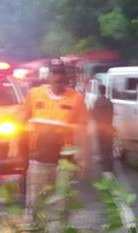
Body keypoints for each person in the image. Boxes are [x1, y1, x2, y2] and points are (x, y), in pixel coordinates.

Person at [23, 59, 88, 224]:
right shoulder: (34, 94)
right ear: (49, 77)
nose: (58, 82)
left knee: (62, 199)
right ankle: (32, 229)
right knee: (35, 197)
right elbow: (21, 120)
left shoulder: (76, 98)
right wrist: (14, 147)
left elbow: (83, 130)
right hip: (39, 156)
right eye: (55, 76)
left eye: (61, 78)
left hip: (65, 158)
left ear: (66, 79)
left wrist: (84, 158)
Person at [91, 84, 115, 175]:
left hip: (100, 128)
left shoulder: (97, 102)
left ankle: (104, 165)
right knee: (109, 147)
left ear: (99, 91)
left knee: (102, 146)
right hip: (108, 127)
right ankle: (110, 166)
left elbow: (94, 115)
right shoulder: (109, 102)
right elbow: (112, 114)